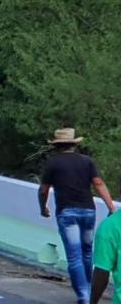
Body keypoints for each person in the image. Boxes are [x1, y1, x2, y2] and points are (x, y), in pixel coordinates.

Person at [40, 127, 116, 304]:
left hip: (67, 212)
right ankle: (89, 292)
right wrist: (111, 207)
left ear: (57, 146)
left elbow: (44, 190)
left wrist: (43, 208)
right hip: (88, 211)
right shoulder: (86, 161)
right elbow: (98, 183)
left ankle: (83, 295)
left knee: (74, 256)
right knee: (87, 253)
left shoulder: (53, 163)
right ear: (73, 144)